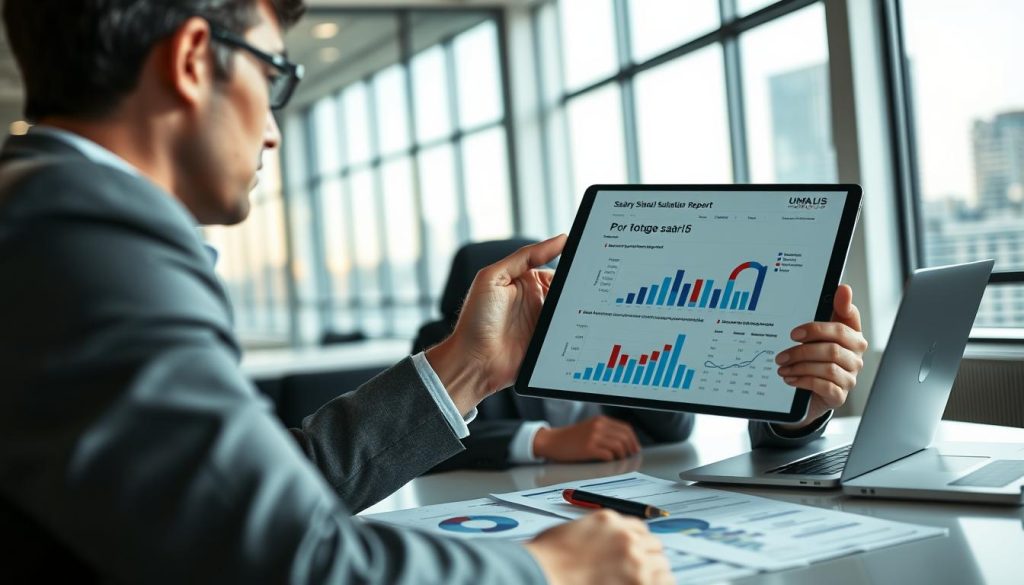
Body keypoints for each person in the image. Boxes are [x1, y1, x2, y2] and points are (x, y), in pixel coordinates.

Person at [0, 1, 865, 584]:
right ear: (194, 59)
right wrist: (548, 568)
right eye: (274, 76)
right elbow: (288, 563)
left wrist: (467, 367)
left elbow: (264, 499)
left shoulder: (48, 213)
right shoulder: (85, 236)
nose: (271, 126)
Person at [416, 242, 867, 471]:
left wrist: (790, 408)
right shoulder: (449, 339)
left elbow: (674, 427)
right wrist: (542, 440)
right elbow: (421, 440)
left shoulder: (612, 328)